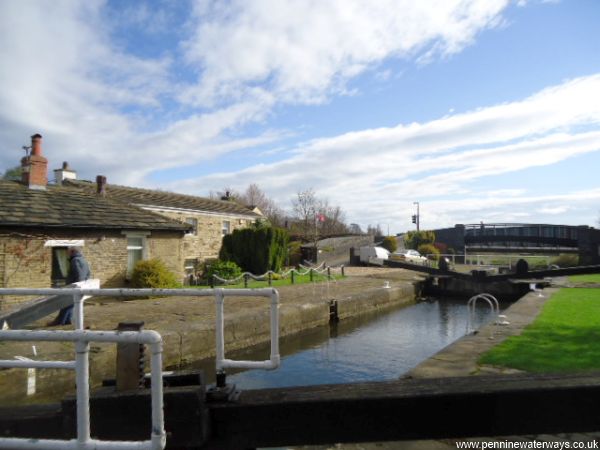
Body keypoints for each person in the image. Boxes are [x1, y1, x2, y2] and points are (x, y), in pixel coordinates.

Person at [48, 247, 91, 326]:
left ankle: (59, 321)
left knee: (65, 304)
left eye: (68, 252)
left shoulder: (75, 261)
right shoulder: (84, 260)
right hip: (81, 286)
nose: (67, 254)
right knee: (70, 304)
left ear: (72, 252)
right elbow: (88, 274)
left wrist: (77, 286)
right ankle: (67, 320)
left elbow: (79, 275)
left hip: (74, 287)